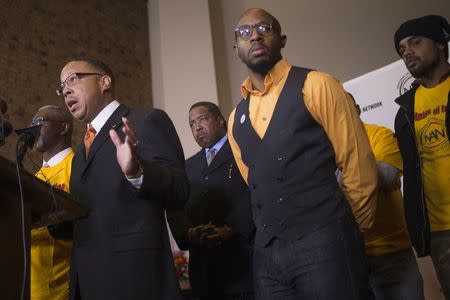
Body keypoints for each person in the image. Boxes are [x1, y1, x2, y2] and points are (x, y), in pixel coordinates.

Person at [228, 8, 378, 300]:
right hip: (268, 258)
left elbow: (358, 166)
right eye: (245, 32)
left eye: (264, 28)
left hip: (326, 242)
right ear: (237, 49)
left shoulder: (318, 84)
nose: (255, 35)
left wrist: (343, 233)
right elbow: (255, 178)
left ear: (281, 39)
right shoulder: (235, 118)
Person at [57, 57, 189, 300]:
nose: (65, 90)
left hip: (133, 278)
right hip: (86, 282)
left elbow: (180, 190)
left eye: (73, 79)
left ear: (104, 82)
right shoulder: (78, 155)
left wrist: (137, 173)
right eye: (62, 86)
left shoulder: (145, 121)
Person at [168, 101, 254, 300]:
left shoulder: (243, 154)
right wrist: (188, 233)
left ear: (220, 120)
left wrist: (230, 229)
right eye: (191, 124)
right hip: (204, 273)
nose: (197, 128)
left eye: (202, 119)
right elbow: (175, 206)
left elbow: (254, 194)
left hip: (242, 266)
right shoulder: (187, 166)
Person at [394, 15, 450, 299]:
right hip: (440, 232)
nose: (407, 52)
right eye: (402, 48)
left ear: (441, 44)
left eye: (415, 42)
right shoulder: (405, 111)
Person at [347, 94, 424, 300]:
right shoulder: (328, 150)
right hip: (355, 259)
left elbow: (387, 176)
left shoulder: (380, 135)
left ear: (357, 108)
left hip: (393, 253)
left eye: (345, 107)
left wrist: (343, 167)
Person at [30, 105, 74, 300]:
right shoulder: (36, 176)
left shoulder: (75, 165)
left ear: (64, 128)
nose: (33, 128)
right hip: (29, 286)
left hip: (58, 289)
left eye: (40, 122)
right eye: (31, 123)